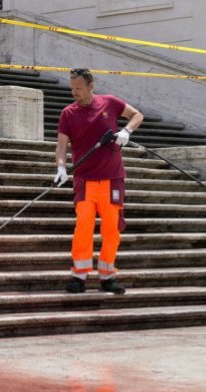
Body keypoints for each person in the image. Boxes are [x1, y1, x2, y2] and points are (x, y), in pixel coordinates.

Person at [54, 67, 143, 295]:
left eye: (79, 88)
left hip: (112, 179)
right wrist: (61, 167)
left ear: (91, 86)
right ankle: (79, 276)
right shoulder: (68, 114)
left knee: (112, 229)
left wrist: (126, 131)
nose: (75, 92)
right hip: (85, 180)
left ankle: (107, 276)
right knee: (83, 227)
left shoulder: (110, 103)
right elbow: (61, 147)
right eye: (72, 88)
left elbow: (137, 115)